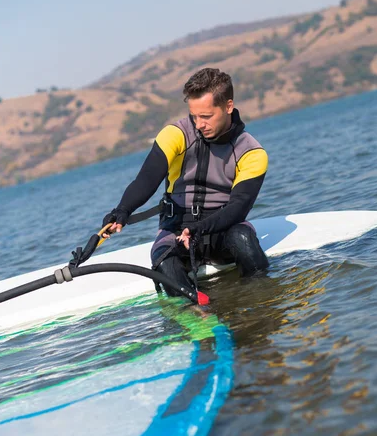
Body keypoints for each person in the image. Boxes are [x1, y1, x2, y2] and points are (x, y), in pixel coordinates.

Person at [102, 67, 269, 296]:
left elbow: (238, 208)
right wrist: (122, 210)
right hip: (176, 231)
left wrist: (199, 228)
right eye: (194, 116)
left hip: (223, 230)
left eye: (206, 116)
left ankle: (261, 303)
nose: (199, 124)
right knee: (164, 260)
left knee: (243, 239)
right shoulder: (175, 134)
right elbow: (147, 178)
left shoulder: (251, 152)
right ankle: (195, 318)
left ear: (228, 106)